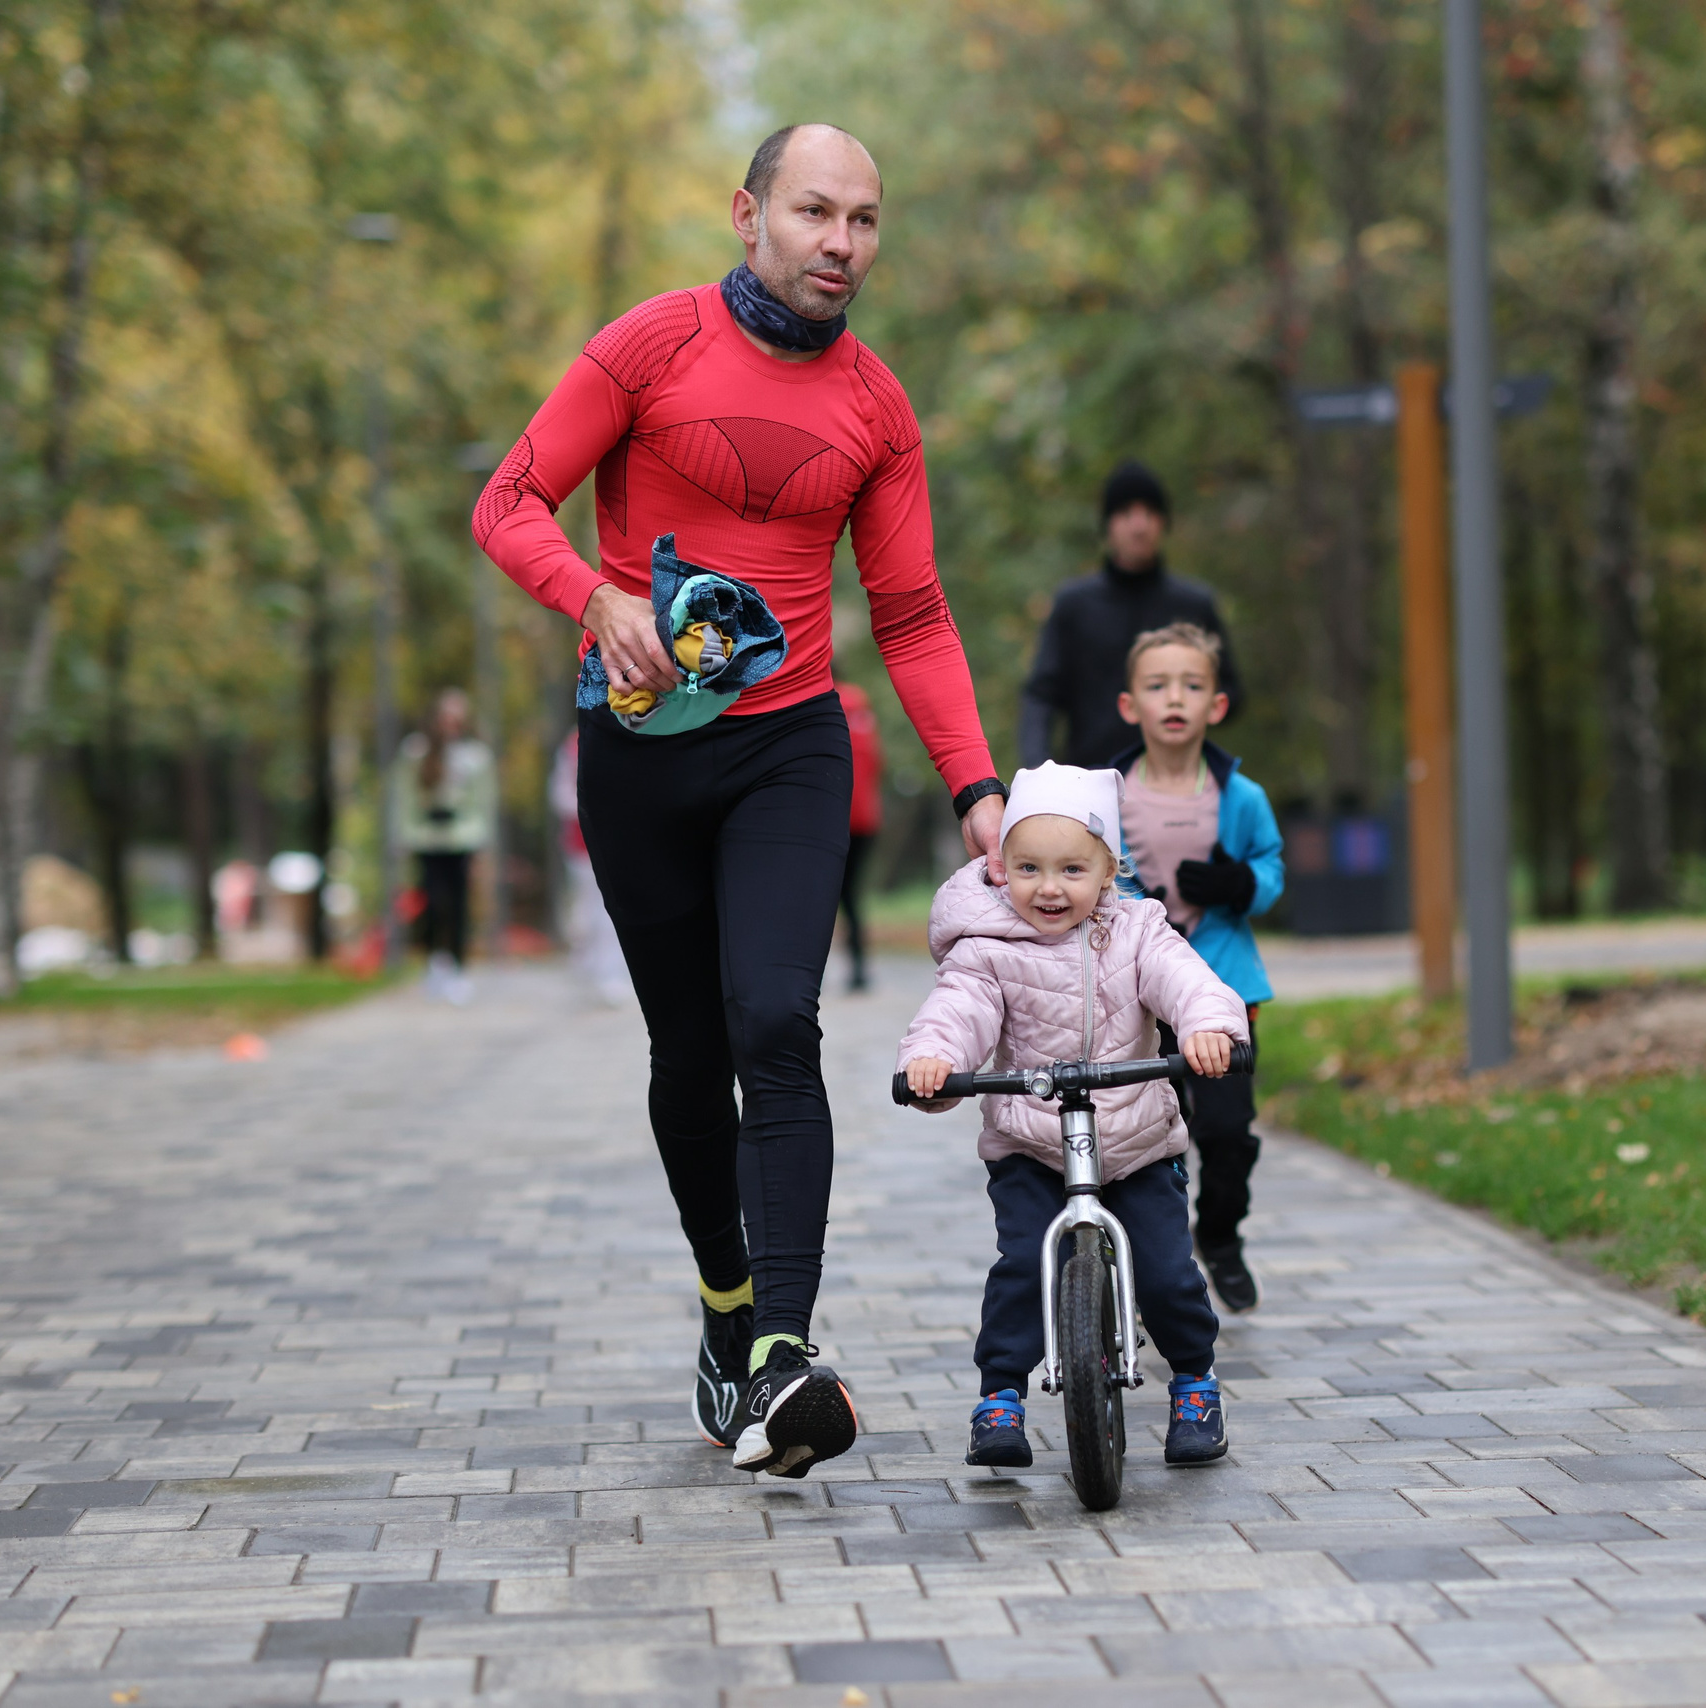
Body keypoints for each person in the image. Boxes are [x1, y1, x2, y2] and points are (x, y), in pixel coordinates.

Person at [471, 123, 1008, 1479]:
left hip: (789, 749)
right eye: (816, 212)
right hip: (640, 753)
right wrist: (594, 597)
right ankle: (726, 1305)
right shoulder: (649, 346)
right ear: (748, 213)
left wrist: (977, 787)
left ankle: (781, 1350)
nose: (842, 243)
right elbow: (509, 503)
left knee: (775, 1019)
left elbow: (913, 613)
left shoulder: (877, 407)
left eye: (865, 220)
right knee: (686, 1047)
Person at [897, 763, 1249, 1468]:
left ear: (1109, 870)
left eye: (1071, 869)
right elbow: (958, 1010)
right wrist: (933, 1060)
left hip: (1136, 1143)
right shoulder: (987, 946)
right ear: (1002, 866)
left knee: (1167, 1272)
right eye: (1028, 868)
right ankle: (1000, 1396)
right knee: (1024, 1268)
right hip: (1032, 1145)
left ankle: (1194, 1383)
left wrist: (1208, 1028)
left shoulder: (1138, 930)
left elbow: (1187, 982)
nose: (1049, 888)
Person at [1109, 624, 1283, 1313]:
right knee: (1152, 1136)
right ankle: (1160, 1258)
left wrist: (1241, 884)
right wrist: (1138, 911)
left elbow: (1270, 867)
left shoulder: (1242, 797)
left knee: (1226, 1131)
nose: (1175, 698)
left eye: (1192, 685)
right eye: (1158, 686)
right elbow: (1089, 874)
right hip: (1142, 997)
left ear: (1217, 704)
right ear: (1131, 706)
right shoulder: (1108, 796)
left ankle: (1221, 1235)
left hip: (1226, 988)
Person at [1018, 460, 1244, 768]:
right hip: (1091, 776)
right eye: (1126, 513)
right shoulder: (1074, 605)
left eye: (1150, 513)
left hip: (1178, 778)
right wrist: (1038, 768)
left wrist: (1187, 700)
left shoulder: (1194, 604)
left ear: (1163, 523)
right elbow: (1041, 695)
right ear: (1108, 525)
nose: (1139, 526)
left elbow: (1230, 692)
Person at [393, 688, 496, 1006]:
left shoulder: (475, 756)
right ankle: (435, 963)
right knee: (432, 903)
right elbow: (404, 797)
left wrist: (481, 846)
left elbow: (483, 803)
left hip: (462, 839)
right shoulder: (415, 751)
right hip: (427, 839)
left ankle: (459, 967)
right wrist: (404, 837)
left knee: (459, 906)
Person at [547, 730, 631, 1007]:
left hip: (620, 837)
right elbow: (559, 793)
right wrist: (590, 806)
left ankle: (611, 970)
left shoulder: (632, 730)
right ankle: (594, 962)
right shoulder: (572, 745)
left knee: (610, 906)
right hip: (581, 841)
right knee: (590, 906)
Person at [835, 677, 882, 993]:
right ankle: (859, 968)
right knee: (851, 895)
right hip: (866, 818)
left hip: (830, 816)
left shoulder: (821, 701)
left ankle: (810, 971)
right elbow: (878, 762)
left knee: (819, 894)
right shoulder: (861, 707)